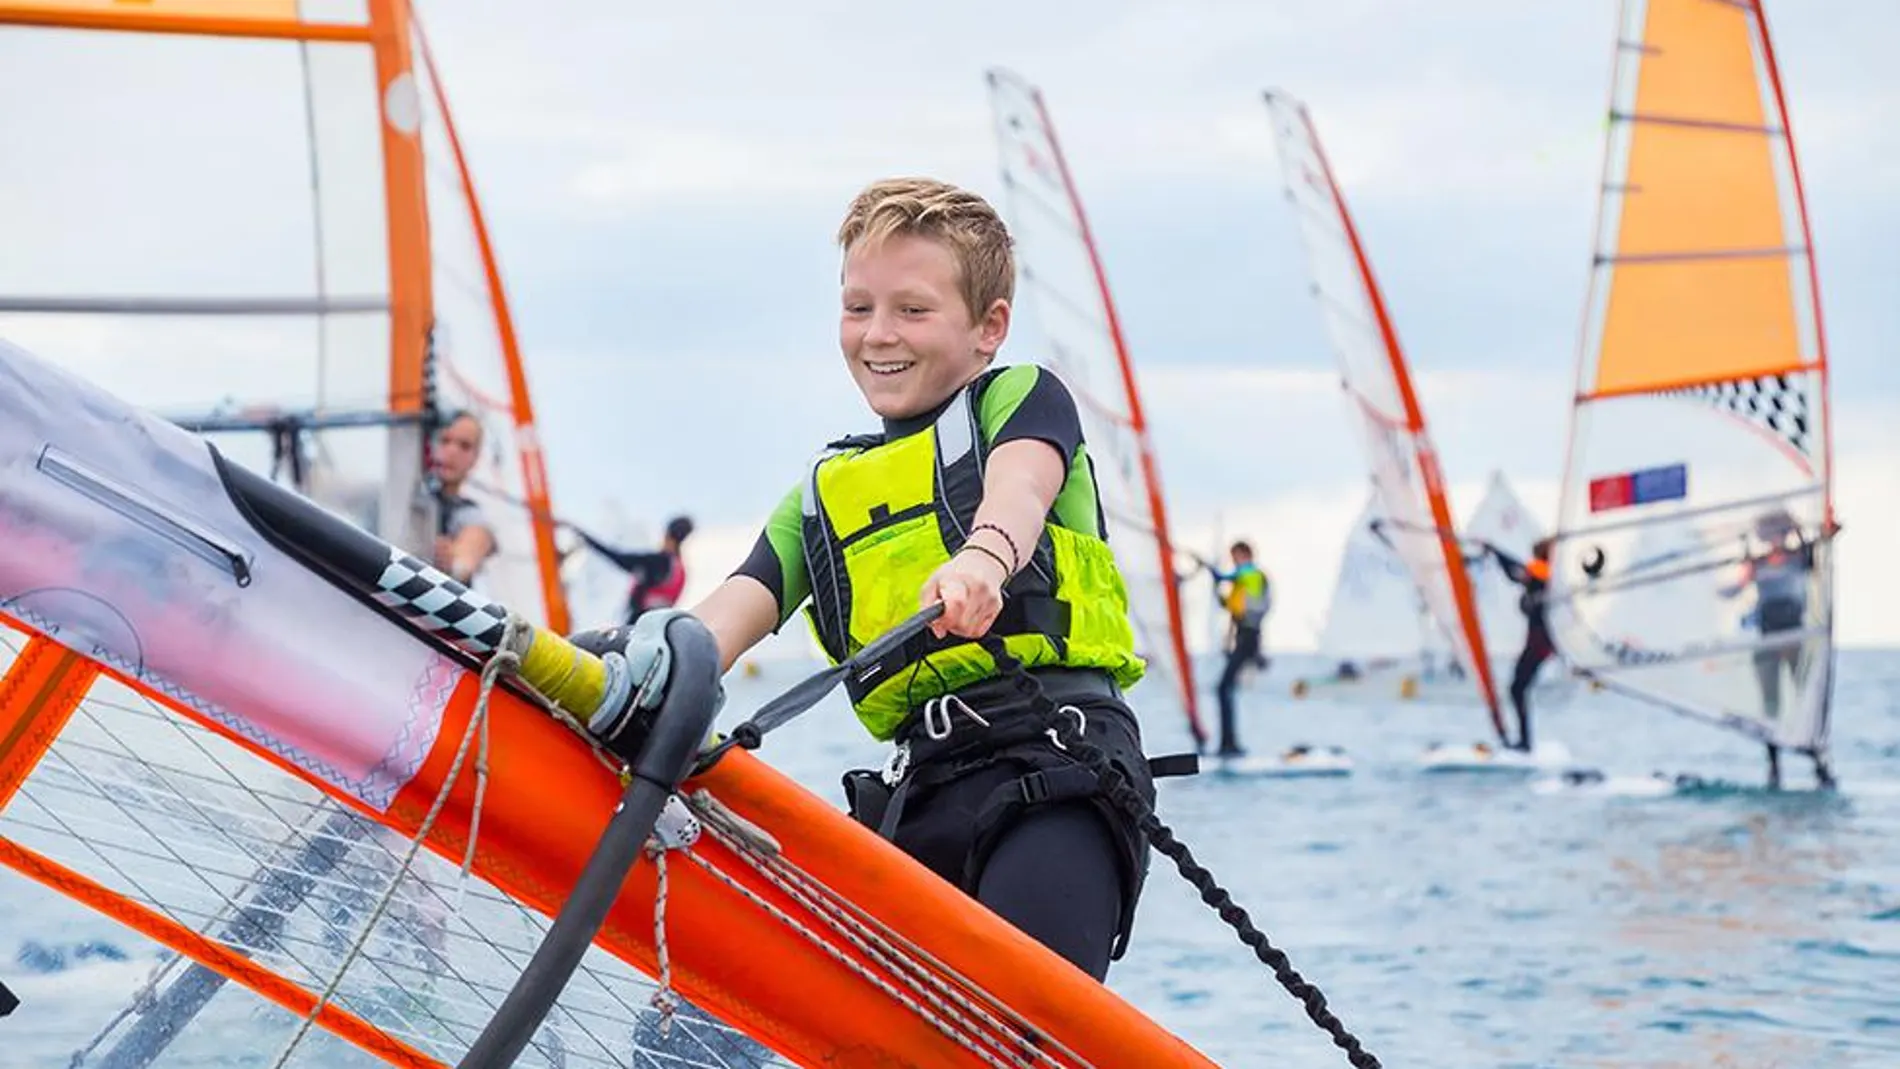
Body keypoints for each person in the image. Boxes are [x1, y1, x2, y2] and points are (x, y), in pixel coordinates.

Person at [565, 177, 1158, 981]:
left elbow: (1020, 492)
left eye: (913, 310)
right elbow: (720, 622)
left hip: (1056, 772)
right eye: (858, 308)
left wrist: (982, 559)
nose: (879, 334)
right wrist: (620, 673)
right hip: (923, 790)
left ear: (989, 327)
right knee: (735, 999)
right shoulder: (823, 493)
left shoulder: (1022, 399)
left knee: (1019, 1021)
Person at [1719, 508, 1835, 788]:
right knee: (1770, 704)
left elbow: (1819, 548)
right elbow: (1735, 589)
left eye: (1780, 532)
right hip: (1768, 638)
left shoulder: (1800, 556)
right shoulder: (1756, 563)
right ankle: (1774, 767)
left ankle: (1819, 761)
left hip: (1795, 636)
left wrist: (1819, 532)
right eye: (1770, 534)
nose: (1775, 539)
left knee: (1806, 697)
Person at [1480, 536, 1553, 753]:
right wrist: (1495, 551)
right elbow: (1517, 570)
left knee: (1517, 689)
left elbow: (1516, 572)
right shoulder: (1550, 575)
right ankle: (1524, 740)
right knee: (1518, 689)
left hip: (1541, 641)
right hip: (1543, 641)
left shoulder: (1544, 574)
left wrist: (1495, 552)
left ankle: (1525, 742)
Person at [566, 515, 695, 625]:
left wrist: (583, 536)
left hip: (637, 626)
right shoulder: (679, 571)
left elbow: (618, 557)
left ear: (668, 535)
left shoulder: (658, 562)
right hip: (658, 628)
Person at [1206, 540, 1270, 756]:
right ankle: (1228, 743)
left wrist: (1219, 576)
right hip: (1241, 638)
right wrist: (1215, 584)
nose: (1234, 561)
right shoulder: (1241, 581)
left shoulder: (1254, 575)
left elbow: (1239, 575)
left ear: (1246, 554)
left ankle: (1229, 745)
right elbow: (1228, 606)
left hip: (1250, 639)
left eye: (1236, 556)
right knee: (1225, 689)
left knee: (1224, 688)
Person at [429, 409, 496, 585]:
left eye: (464, 446)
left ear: (476, 458)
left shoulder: (469, 513)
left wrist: (454, 563)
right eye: (444, 440)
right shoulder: (389, 494)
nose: (452, 451)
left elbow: (475, 541)